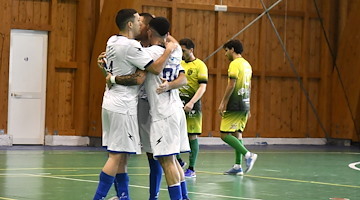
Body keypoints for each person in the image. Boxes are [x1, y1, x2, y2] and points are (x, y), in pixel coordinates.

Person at [93, 9, 176, 200]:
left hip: (110, 101)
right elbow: (151, 71)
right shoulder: (132, 47)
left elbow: (108, 69)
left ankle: (123, 196)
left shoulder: (111, 41)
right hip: (123, 105)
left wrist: (110, 76)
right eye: (139, 20)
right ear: (130, 24)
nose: (142, 24)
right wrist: (169, 50)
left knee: (121, 155)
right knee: (116, 156)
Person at [218, 39, 258, 176]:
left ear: (233, 49)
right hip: (244, 103)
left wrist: (223, 102)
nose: (225, 54)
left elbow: (231, 84)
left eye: (226, 50)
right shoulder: (247, 65)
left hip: (235, 104)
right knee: (237, 133)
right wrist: (249, 106)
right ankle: (237, 166)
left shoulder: (234, 64)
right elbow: (249, 86)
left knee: (224, 134)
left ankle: (248, 155)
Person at [176, 38, 208, 178]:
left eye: (183, 51)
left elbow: (202, 87)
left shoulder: (200, 65)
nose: (182, 53)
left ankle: (192, 169)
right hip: (177, 104)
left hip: (192, 105)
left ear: (191, 50)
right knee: (173, 132)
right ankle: (178, 160)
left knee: (191, 136)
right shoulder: (179, 64)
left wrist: (192, 102)